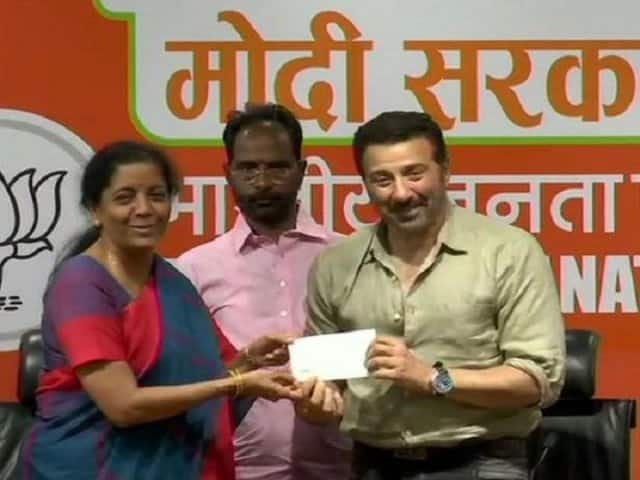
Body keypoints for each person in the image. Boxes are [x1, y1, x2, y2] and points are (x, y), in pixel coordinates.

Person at [298, 111, 567, 480]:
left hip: (481, 462)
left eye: (414, 174)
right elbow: (325, 384)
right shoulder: (334, 264)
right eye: (383, 180)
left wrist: (431, 378)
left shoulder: (508, 252)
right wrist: (316, 401)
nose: (401, 193)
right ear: (365, 185)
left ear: (445, 170)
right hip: (373, 463)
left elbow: (537, 382)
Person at [20, 140, 303, 480]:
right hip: (87, 468)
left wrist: (250, 360)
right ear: (95, 209)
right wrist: (237, 383)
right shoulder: (80, 284)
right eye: (125, 198)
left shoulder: (173, 282)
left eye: (156, 195)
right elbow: (123, 405)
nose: (144, 209)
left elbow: (209, 376)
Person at [178, 103, 352, 480]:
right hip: (239, 466)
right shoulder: (194, 269)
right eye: (248, 168)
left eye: (277, 167)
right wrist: (241, 368)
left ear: (301, 171)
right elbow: (183, 381)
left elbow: (376, 354)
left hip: (343, 463)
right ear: (227, 173)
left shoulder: (348, 256)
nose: (262, 181)